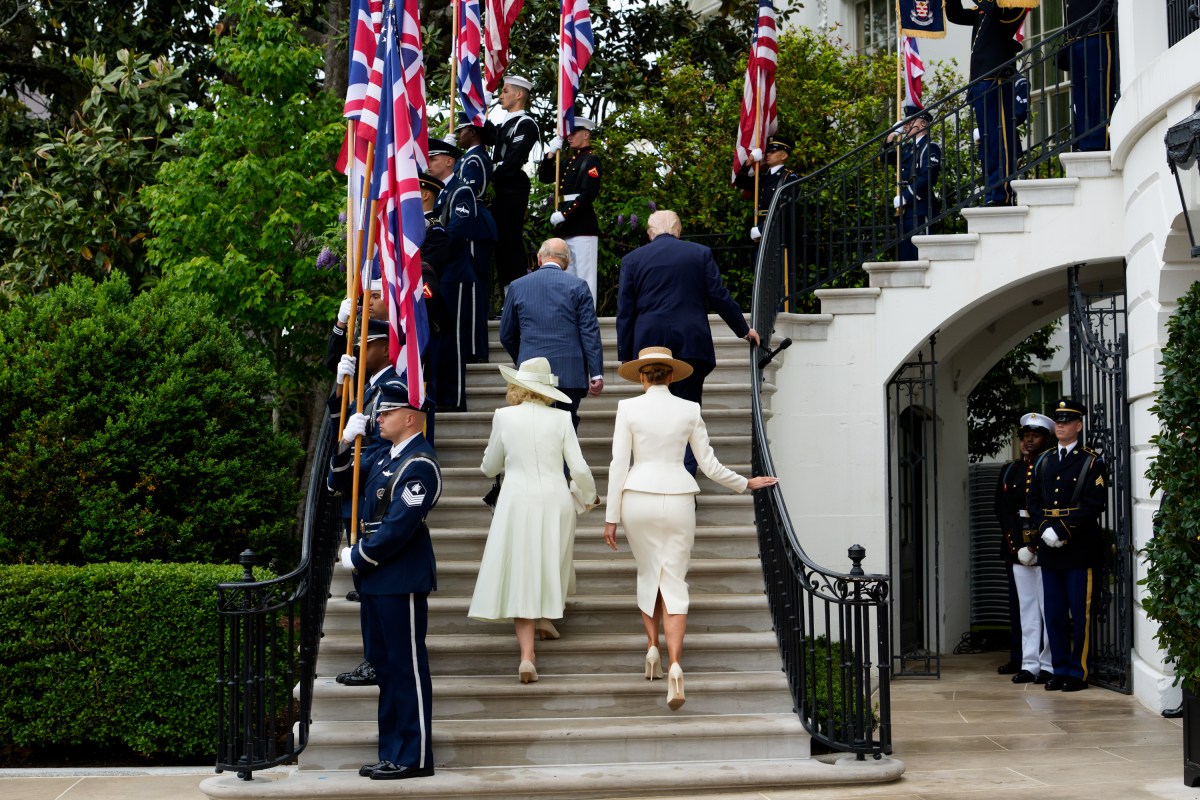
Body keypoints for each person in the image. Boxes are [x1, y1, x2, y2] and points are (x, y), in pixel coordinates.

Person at [602, 347, 778, 710]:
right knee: (675, 579)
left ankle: (653, 648)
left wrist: (611, 515)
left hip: (637, 495)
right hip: (679, 497)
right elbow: (709, 466)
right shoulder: (689, 409)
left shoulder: (627, 409)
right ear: (670, 375)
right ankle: (676, 666)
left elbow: (618, 464)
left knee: (648, 571)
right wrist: (745, 483)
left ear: (642, 377)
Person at [330, 378, 441, 780]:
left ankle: (414, 757)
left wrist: (358, 556)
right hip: (377, 580)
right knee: (388, 670)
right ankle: (393, 752)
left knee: (406, 669)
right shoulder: (384, 457)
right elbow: (339, 483)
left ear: (411, 417)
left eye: (387, 412)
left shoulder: (419, 464)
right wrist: (344, 444)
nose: (379, 417)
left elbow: (398, 526)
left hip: (400, 576)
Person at [467, 357, 597, 682]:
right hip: (556, 500)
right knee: (550, 559)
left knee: (522, 570)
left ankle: (527, 656)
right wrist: (590, 495)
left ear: (516, 386)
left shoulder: (504, 417)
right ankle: (543, 619)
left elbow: (488, 466)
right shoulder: (562, 419)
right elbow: (579, 468)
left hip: (517, 500)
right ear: (547, 389)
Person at [616, 210, 760, 474]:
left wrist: (626, 354)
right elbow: (718, 295)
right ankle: (685, 478)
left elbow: (626, 310)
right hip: (691, 344)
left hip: (650, 346)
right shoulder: (699, 253)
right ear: (678, 231)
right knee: (688, 410)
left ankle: (656, 472)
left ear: (650, 234)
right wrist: (743, 329)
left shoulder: (632, 260)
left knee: (654, 410)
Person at [1027, 398, 1108, 692]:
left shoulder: (1092, 461)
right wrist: (1043, 529)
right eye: (1058, 421)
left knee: (1079, 612)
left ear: (1079, 425)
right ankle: (1059, 668)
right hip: (1050, 549)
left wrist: (1061, 530)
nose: (1060, 425)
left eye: (1066, 421)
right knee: (1055, 613)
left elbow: (1093, 505)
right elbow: (1033, 502)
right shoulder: (1044, 460)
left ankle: (1078, 671)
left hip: (1078, 547)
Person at [499, 238, 604, 430]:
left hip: (530, 373)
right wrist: (596, 372)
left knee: (533, 429)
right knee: (566, 429)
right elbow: (589, 332)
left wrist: (523, 360)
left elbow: (506, 335)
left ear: (539, 258)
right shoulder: (578, 286)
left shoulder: (517, 286)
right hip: (570, 372)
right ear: (567, 262)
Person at [428, 138, 494, 410]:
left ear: (449, 161)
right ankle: (442, 395)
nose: (429, 163)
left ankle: (454, 400)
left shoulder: (461, 191)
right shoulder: (440, 192)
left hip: (454, 275)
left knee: (453, 340)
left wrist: (430, 260)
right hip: (441, 275)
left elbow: (456, 235)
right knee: (440, 338)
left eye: (434, 158)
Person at [994, 412, 1056, 684]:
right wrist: (1018, 546)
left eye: (1035, 436)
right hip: (1017, 547)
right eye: (1025, 436)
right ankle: (1027, 662)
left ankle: (1049, 664)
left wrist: (1040, 543)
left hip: (1048, 545)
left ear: (1046, 439)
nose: (1028, 441)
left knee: (1049, 608)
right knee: (1023, 608)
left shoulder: (1051, 467)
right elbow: (1003, 510)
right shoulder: (1010, 470)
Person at [946, 0, 1027, 207]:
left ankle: (1003, 192)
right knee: (989, 142)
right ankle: (993, 191)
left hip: (996, 78)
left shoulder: (1012, 6)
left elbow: (998, 12)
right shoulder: (982, 11)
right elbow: (955, 15)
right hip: (981, 80)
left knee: (999, 140)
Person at [537, 117, 602, 306]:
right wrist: (551, 153)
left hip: (581, 225)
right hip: (566, 226)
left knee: (585, 277)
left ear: (586, 134)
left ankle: (587, 320)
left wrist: (564, 214)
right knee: (568, 277)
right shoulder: (567, 161)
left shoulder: (591, 160)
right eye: (568, 134)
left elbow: (588, 193)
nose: (569, 137)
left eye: (573, 133)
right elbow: (545, 177)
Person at [454, 113, 498, 356]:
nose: (459, 134)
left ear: (473, 132)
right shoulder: (467, 158)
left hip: (474, 223)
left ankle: (474, 348)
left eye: (462, 130)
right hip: (470, 221)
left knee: (473, 285)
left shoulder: (476, 159)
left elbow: (469, 193)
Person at [491, 75, 541, 290]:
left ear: (519, 94)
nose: (501, 96)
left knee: (510, 241)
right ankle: (506, 294)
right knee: (500, 243)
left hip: (511, 185)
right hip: (500, 185)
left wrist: (490, 181)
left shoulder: (525, 124)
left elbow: (512, 161)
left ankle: (516, 294)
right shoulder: (504, 123)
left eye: (505, 91)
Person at [881, 109, 942, 261]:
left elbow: (926, 177)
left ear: (922, 124)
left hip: (921, 208)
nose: (906, 126)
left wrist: (906, 196)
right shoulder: (907, 148)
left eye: (910, 122)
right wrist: (892, 134)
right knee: (906, 255)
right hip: (905, 210)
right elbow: (885, 157)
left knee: (920, 255)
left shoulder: (930, 147)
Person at [1062, 0, 1117, 151]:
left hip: (1098, 28)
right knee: (1081, 98)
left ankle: (1100, 141)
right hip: (1075, 35)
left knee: (1098, 92)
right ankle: (1085, 142)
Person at [733, 136, 796, 235]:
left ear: (783, 156)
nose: (768, 154)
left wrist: (763, 229)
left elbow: (785, 209)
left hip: (778, 231)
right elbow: (740, 182)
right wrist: (750, 161)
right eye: (767, 151)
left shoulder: (789, 177)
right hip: (759, 227)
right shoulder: (763, 175)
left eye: (773, 152)